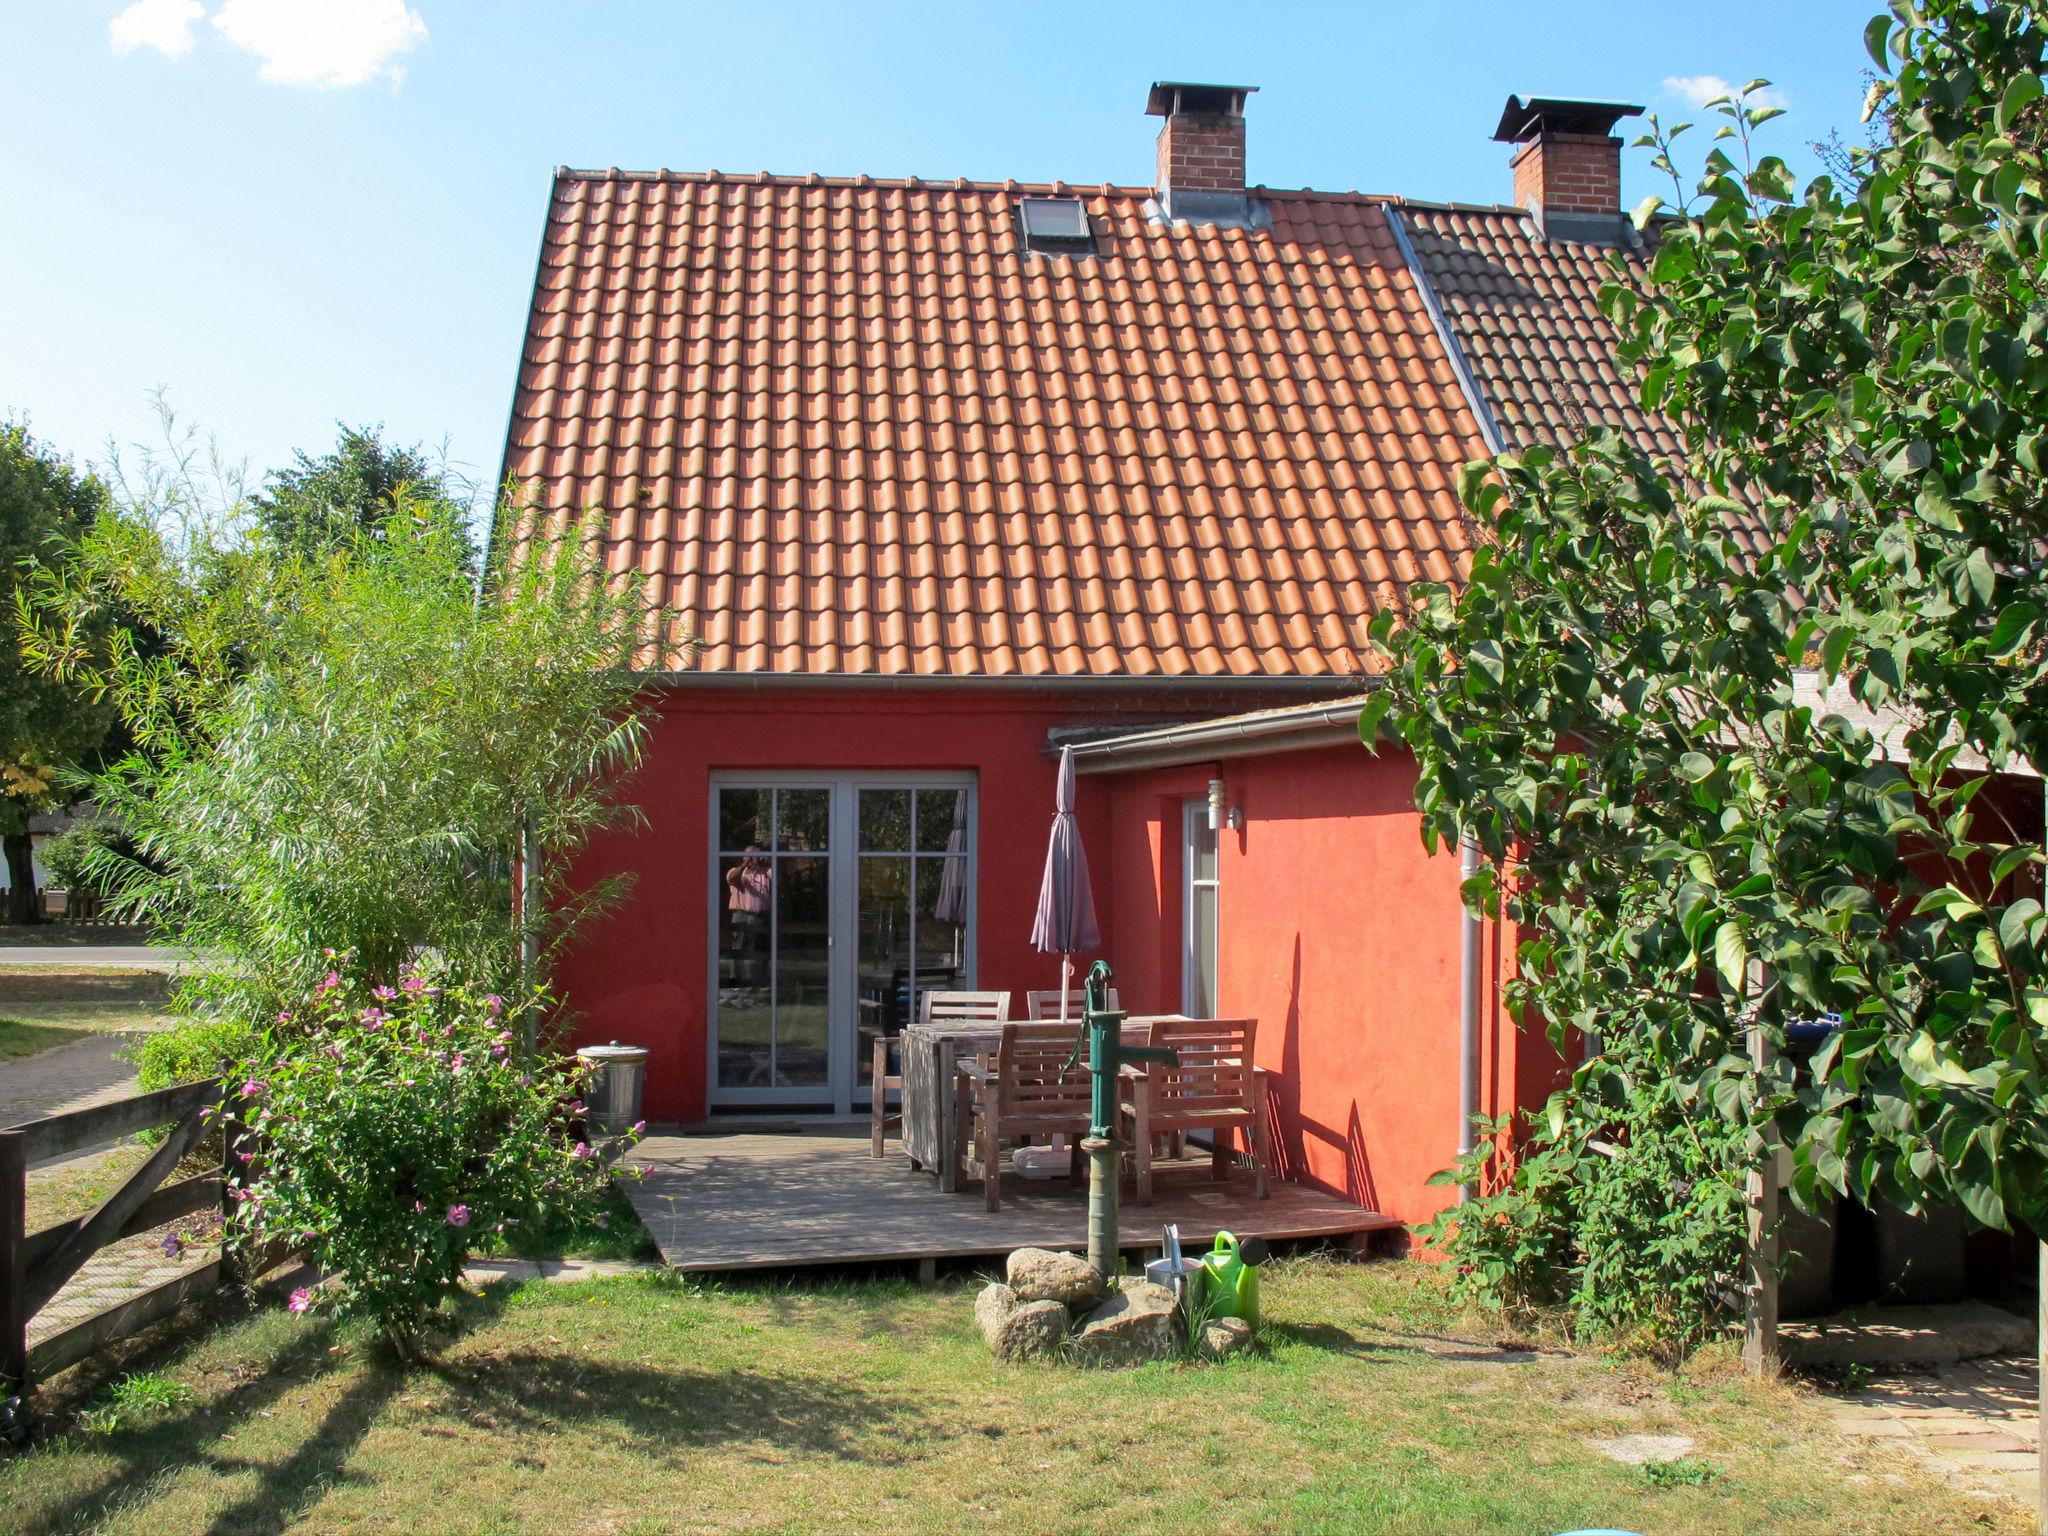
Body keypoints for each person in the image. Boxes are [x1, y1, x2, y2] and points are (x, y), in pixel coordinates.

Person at [725, 846, 771, 988]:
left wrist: (768, 862)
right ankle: (735, 980)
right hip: (740, 914)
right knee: (738, 948)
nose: (751, 859)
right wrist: (745, 865)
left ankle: (755, 980)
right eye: (748, 856)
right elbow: (731, 878)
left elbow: (778, 877)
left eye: (754, 856)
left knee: (756, 948)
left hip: (758, 915)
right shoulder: (736, 871)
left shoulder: (765, 873)